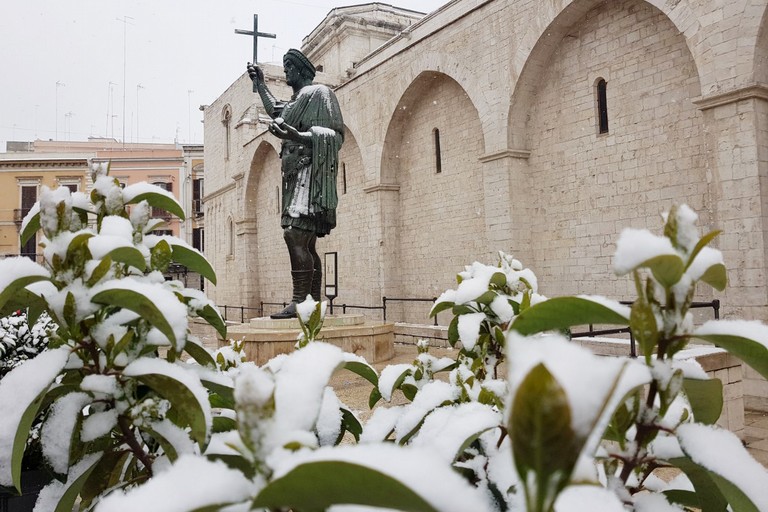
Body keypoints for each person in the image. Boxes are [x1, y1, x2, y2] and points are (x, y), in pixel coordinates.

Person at [247, 49, 344, 319]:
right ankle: (311, 303)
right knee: (306, 242)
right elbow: (277, 111)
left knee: (294, 235)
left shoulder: (320, 94)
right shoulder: (296, 101)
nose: (286, 71)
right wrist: (260, 85)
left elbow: (335, 135)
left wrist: (298, 136)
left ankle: (300, 301)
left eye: (289, 67)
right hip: (294, 178)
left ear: (301, 70)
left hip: (309, 175)